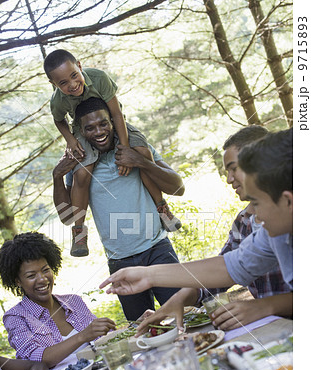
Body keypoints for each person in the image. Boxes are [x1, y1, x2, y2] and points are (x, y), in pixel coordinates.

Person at [99, 128, 293, 334]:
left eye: (257, 203)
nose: (257, 217)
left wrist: (266, 306)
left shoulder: (274, 225)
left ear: (288, 200)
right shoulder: (272, 232)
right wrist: (149, 276)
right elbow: (230, 266)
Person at [53, 97, 185, 321]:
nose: (99, 131)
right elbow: (67, 217)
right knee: (142, 329)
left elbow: (178, 187)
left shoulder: (136, 148)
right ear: (81, 133)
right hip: (120, 262)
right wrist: (57, 177)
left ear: (114, 122)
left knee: (187, 313)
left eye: (104, 123)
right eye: (90, 128)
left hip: (158, 249)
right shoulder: (79, 164)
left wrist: (142, 162)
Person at [44, 49, 181, 257]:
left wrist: (125, 149)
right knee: (82, 173)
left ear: (80, 66)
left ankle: (161, 207)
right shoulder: (58, 102)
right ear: (54, 84)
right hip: (118, 255)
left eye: (74, 76)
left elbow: (116, 114)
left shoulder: (99, 78)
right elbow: (58, 120)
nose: (72, 85)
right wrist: (71, 142)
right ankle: (79, 231)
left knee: (142, 153)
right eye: (63, 83)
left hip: (117, 122)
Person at [0, 232, 116, 368]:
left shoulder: (74, 302)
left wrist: (135, 326)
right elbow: (35, 360)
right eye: (31, 275)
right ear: (17, 281)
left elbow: (104, 339)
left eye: (45, 270)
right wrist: (83, 336)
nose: (42, 279)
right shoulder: (16, 317)